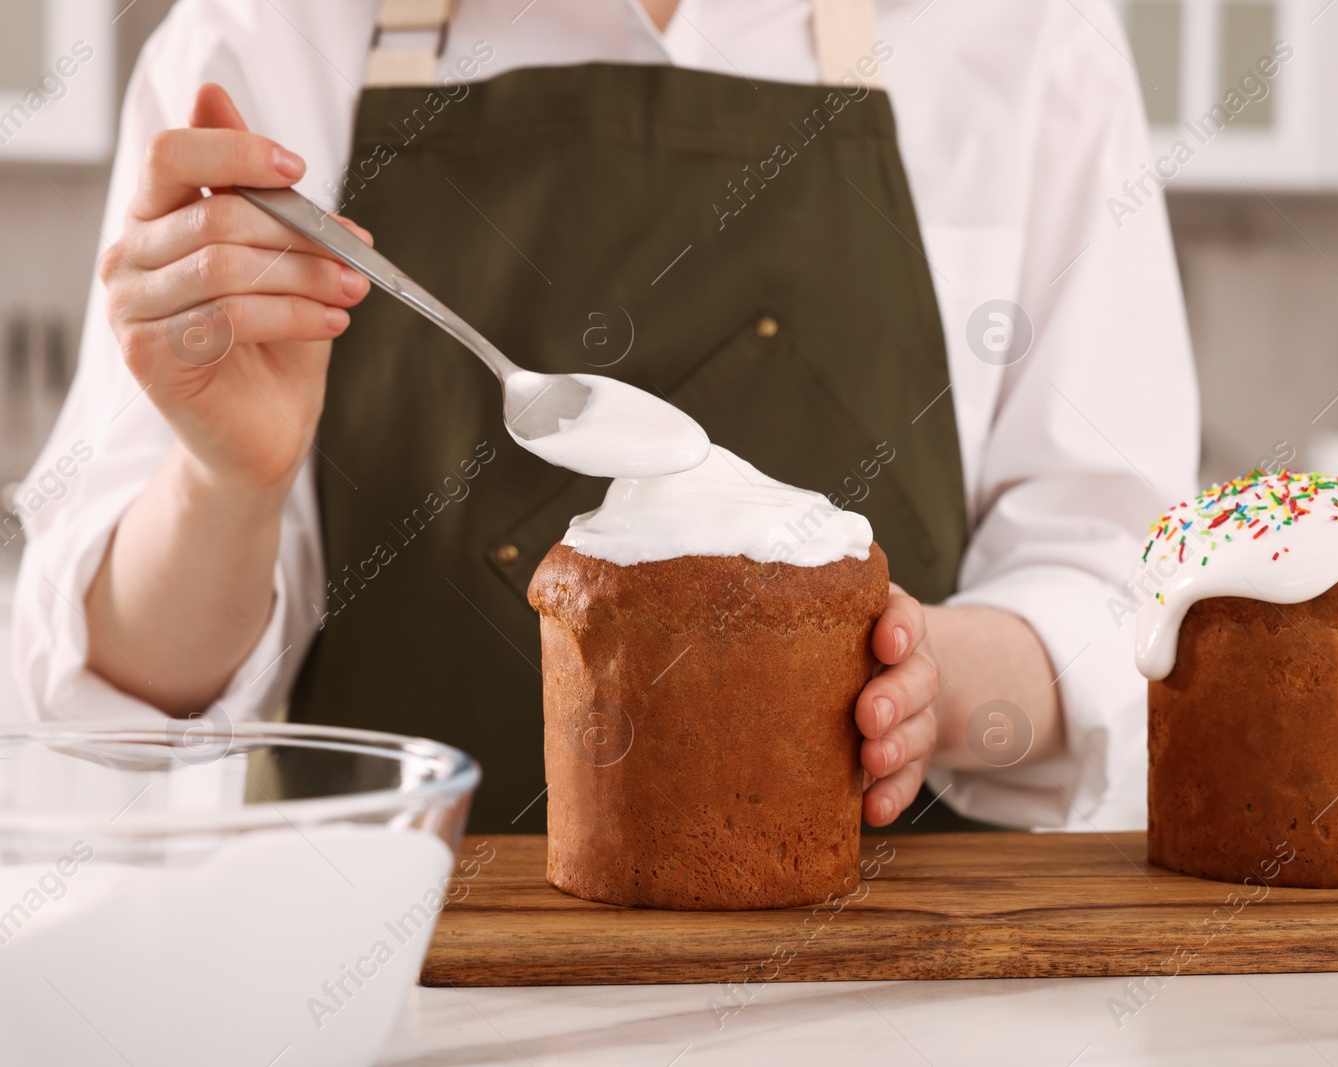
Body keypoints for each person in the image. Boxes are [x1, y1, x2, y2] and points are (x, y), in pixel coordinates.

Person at [12, 0, 1197, 833]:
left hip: (901, 997)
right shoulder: (265, 38)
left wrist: (933, 680)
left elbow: (1117, 588)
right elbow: (117, 695)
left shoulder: (1028, 36)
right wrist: (227, 483)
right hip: (421, 988)